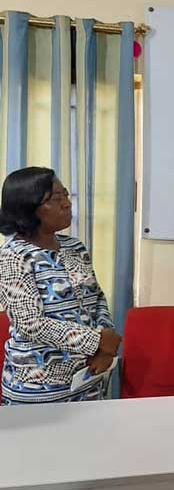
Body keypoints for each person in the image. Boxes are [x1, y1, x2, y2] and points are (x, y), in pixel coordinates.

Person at [0, 167, 122, 405]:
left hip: (88, 378)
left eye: (66, 195)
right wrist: (97, 340)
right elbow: (30, 324)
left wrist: (105, 350)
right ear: (28, 206)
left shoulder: (74, 247)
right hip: (38, 387)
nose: (67, 204)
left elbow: (96, 298)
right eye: (56, 199)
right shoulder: (13, 256)